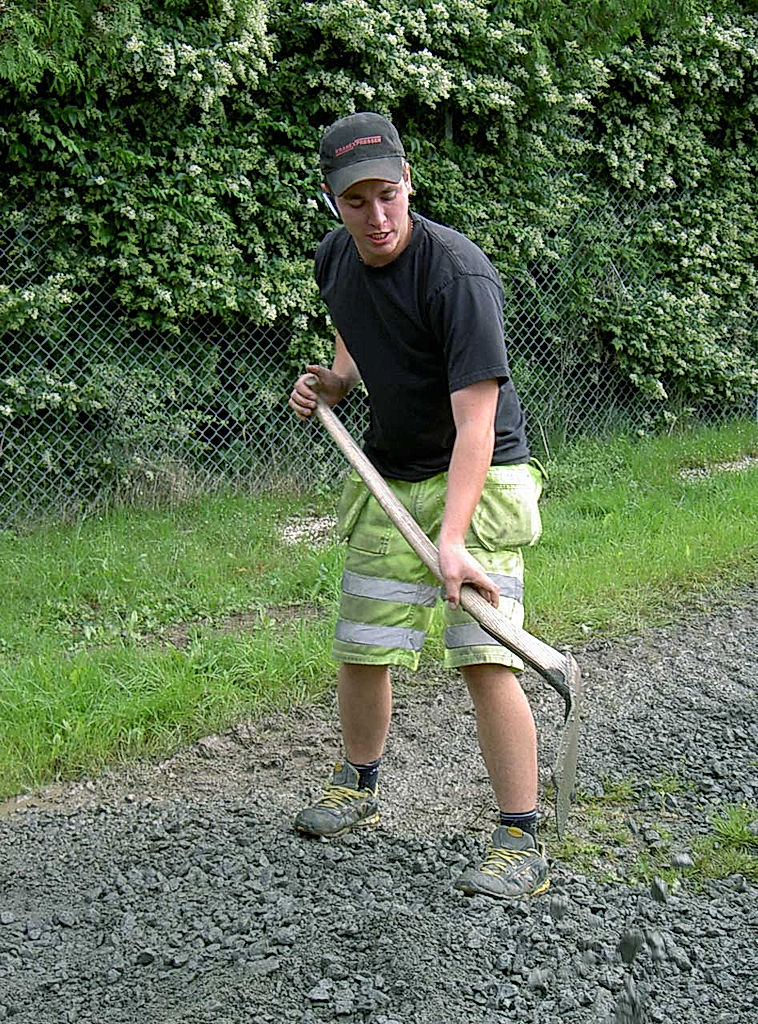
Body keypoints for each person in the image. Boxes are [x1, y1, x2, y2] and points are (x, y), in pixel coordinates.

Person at [288, 111, 549, 899]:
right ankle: (356, 783)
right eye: (356, 200)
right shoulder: (336, 257)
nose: (376, 217)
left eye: (388, 195)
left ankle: (519, 836)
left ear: (409, 184)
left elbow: (476, 420)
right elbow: (353, 327)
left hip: (483, 475)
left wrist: (455, 537)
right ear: (335, 203)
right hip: (390, 474)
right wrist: (337, 381)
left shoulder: (456, 274)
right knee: (363, 641)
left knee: (485, 655)